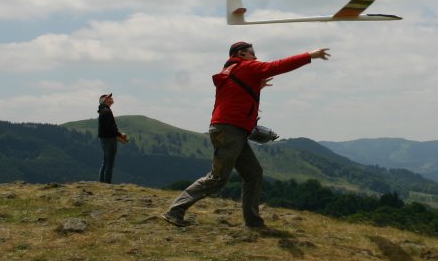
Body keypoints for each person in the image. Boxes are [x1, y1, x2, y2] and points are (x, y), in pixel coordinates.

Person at [162, 41, 330, 228]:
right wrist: (310, 55)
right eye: (252, 53)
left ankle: (253, 222)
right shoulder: (245, 67)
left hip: (230, 131)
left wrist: (257, 87)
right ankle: (175, 211)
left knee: (253, 173)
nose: (255, 57)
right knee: (217, 179)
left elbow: (235, 97)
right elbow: (277, 66)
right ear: (241, 54)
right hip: (230, 131)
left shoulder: (231, 70)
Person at [97, 93, 128, 183]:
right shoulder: (107, 111)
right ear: (105, 100)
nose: (111, 98)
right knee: (109, 163)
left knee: (105, 162)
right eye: (109, 97)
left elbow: (108, 127)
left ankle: (102, 183)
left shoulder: (103, 110)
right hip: (109, 139)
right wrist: (120, 135)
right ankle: (106, 184)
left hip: (105, 139)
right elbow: (110, 127)